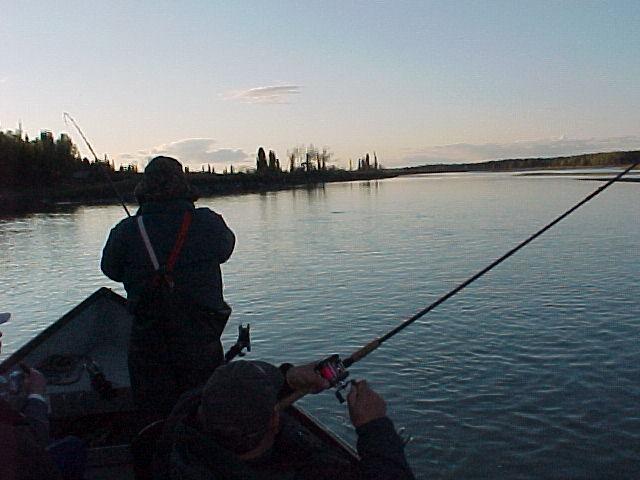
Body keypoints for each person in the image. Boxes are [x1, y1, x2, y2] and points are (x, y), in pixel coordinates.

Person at [101, 156, 236, 420]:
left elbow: (110, 270)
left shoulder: (127, 231)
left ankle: (158, 450)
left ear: (144, 188)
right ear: (183, 184)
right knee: (203, 409)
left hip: (149, 346)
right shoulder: (209, 223)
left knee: (155, 414)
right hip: (201, 344)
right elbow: (225, 250)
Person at [153, 360, 415, 480]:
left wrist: (288, 378)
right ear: (274, 421)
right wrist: (374, 428)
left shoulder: (181, 431)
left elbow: (210, 395)